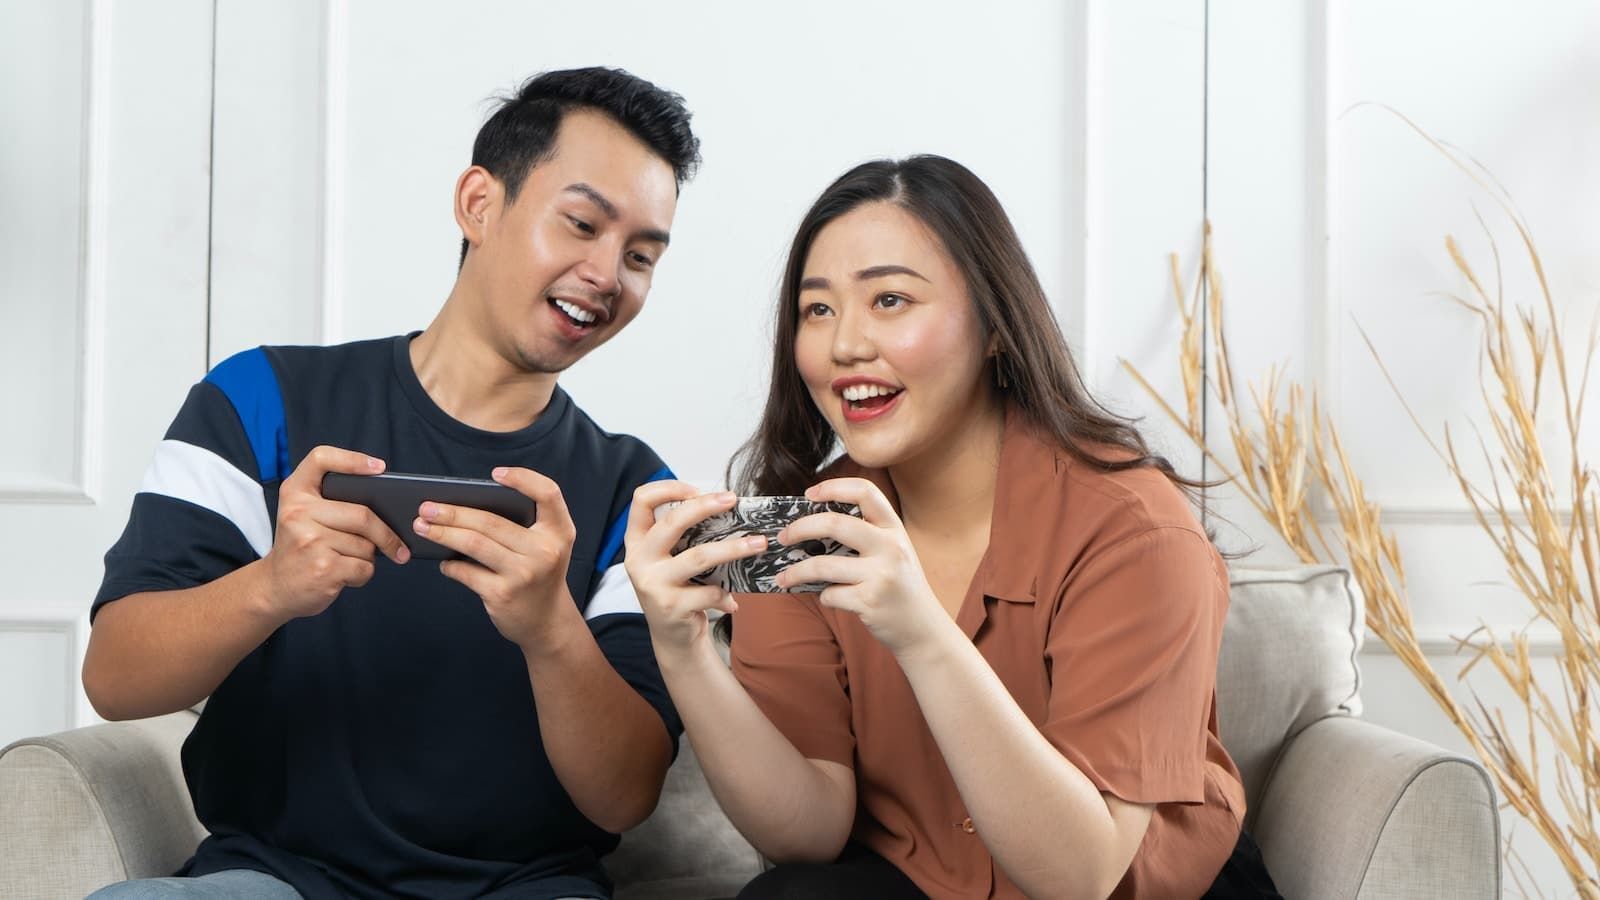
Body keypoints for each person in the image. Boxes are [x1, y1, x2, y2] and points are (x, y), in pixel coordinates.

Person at [82, 67, 700, 900]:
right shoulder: (260, 400)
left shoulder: (637, 493)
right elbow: (115, 681)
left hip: (525, 887)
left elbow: (623, 797)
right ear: (479, 204)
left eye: (639, 255)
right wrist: (273, 587)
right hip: (277, 880)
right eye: (582, 224)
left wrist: (550, 627)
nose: (606, 273)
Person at [625, 156, 1281, 899]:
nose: (845, 345)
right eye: (818, 310)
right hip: (922, 878)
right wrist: (682, 650)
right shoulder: (806, 527)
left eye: (891, 300)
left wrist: (919, 630)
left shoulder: (1135, 530)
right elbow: (805, 831)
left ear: (996, 327)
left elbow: (1081, 875)